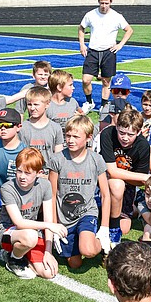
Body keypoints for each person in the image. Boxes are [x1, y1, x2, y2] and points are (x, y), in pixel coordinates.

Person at [47, 115, 111, 269]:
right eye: (68, 135)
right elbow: (52, 195)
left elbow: (105, 194)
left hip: (86, 212)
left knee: (88, 250)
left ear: (89, 138)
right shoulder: (57, 159)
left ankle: (104, 247)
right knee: (75, 264)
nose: (70, 140)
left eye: (76, 136)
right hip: (64, 216)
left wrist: (104, 228)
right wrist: (54, 225)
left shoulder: (96, 160)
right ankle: (79, 239)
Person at [0, 147, 63, 280]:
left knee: (49, 273)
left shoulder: (45, 185)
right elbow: (19, 222)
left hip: (32, 231)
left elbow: (49, 218)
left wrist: (48, 252)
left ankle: (22, 253)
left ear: (39, 173)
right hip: (8, 231)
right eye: (19, 171)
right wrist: (49, 226)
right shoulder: (7, 188)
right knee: (30, 236)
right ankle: (13, 259)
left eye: (27, 173)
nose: (22, 176)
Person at [99, 106, 151, 244]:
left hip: (129, 187)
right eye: (122, 132)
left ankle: (135, 207)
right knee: (117, 184)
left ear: (139, 132)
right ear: (116, 127)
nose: (125, 138)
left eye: (130, 134)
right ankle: (113, 228)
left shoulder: (143, 146)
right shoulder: (107, 134)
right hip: (103, 182)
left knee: (126, 228)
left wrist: (141, 179)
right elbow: (111, 171)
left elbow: (138, 182)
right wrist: (145, 178)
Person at [78, 0, 132, 111]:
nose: (104, 6)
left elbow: (129, 30)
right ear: (98, 2)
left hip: (109, 52)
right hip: (92, 51)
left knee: (106, 82)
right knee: (86, 80)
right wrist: (82, 44)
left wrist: (120, 45)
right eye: (102, 3)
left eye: (106, 3)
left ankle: (103, 105)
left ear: (110, 2)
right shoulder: (91, 14)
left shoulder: (117, 16)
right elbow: (81, 28)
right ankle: (89, 101)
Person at [20, 85, 64, 158]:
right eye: (29, 104)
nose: (32, 108)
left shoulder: (56, 128)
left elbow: (59, 156)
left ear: (47, 104)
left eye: (36, 104)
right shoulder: (22, 127)